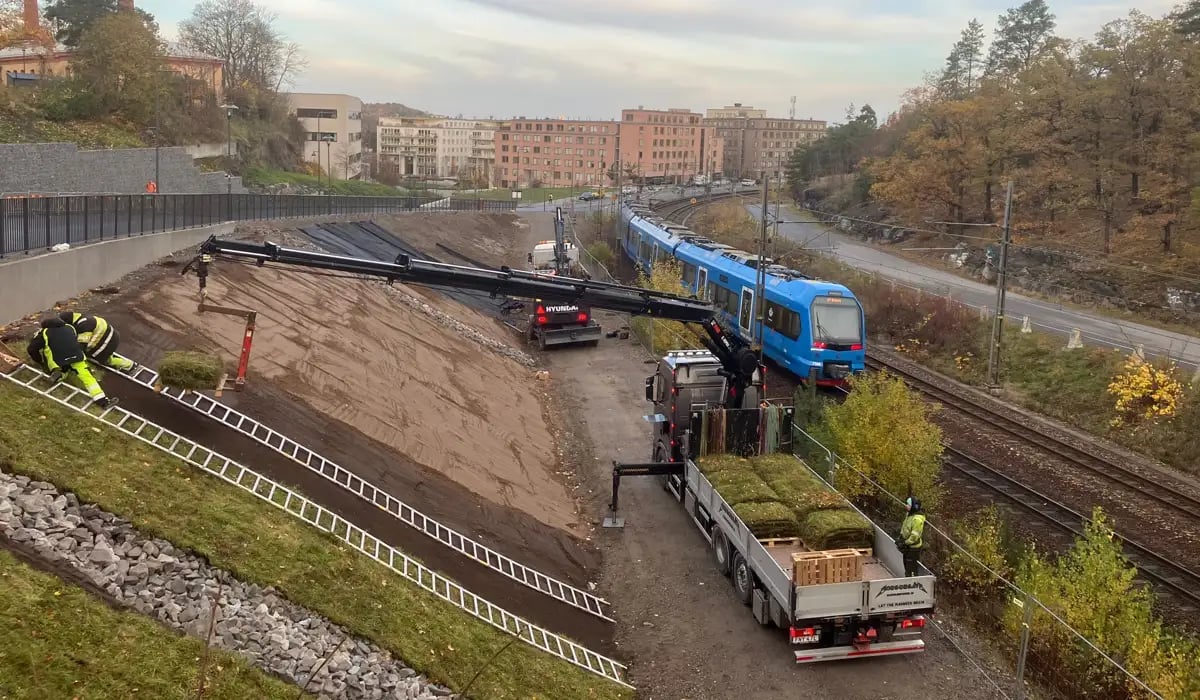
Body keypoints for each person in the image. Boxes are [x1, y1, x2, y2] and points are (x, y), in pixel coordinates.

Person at [26, 316, 118, 409]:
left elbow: (31, 349)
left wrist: (39, 361)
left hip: (59, 359)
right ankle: (102, 401)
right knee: (87, 377)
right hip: (76, 355)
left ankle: (58, 374)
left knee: (50, 350)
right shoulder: (70, 327)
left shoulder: (44, 332)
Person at [58, 311, 138, 373]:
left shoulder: (84, 325)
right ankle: (130, 364)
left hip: (108, 340)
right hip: (111, 336)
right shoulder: (83, 318)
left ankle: (128, 366)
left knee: (101, 358)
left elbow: (82, 345)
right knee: (103, 354)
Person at [896, 497, 926, 577]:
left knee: (911, 567)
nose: (906, 506)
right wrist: (900, 538)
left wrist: (905, 543)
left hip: (913, 548)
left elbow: (914, 536)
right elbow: (905, 528)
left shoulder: (917, 519)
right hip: (907, 546)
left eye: (908, 504)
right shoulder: (909, 515)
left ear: (913, 506)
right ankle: (907, 578)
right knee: (906, 565)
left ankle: (912, 582)